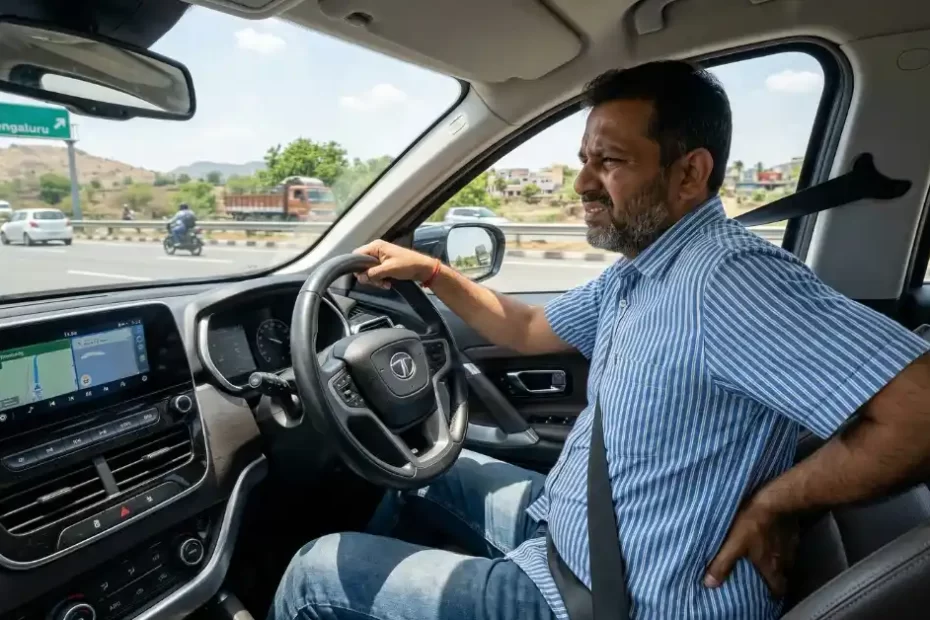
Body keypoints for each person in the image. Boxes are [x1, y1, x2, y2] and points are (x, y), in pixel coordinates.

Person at [269, 61, 930, 620]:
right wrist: (436, 273)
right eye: (585, 159)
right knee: (429, 472)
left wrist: (778, 500)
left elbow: (920, 412)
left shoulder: (728, 280)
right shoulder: (641, 271)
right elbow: (528, 329)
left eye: (609, 161)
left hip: (612, 597)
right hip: (574, 530)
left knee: (315, 569)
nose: (583, 183)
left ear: (689, 174)